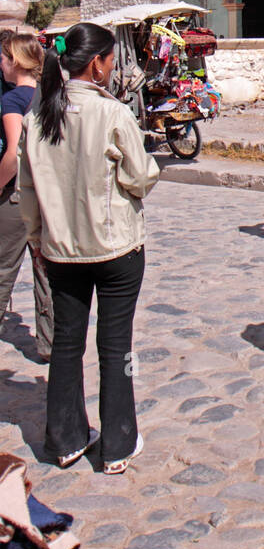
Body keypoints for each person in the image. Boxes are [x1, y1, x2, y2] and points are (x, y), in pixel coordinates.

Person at [17, 23, 160, 474]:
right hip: (115, 247)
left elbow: (28, 190)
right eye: (110, 59)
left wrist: (38, 240)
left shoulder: (35, 118)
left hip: (61, 251)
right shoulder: (113, 115)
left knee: (66, 344)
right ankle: (117, 443)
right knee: (116, 346)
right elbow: (139, 176)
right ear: (97, 64)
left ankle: (65, 439)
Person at [0, 33, 53, 358]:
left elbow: (12, 154)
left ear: (15, 61)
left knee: (3, 269)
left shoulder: (12, 101)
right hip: (48, 195)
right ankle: (49, 343)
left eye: (3, 59)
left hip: (18, 196)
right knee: (45, 273)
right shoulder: (48, 96)